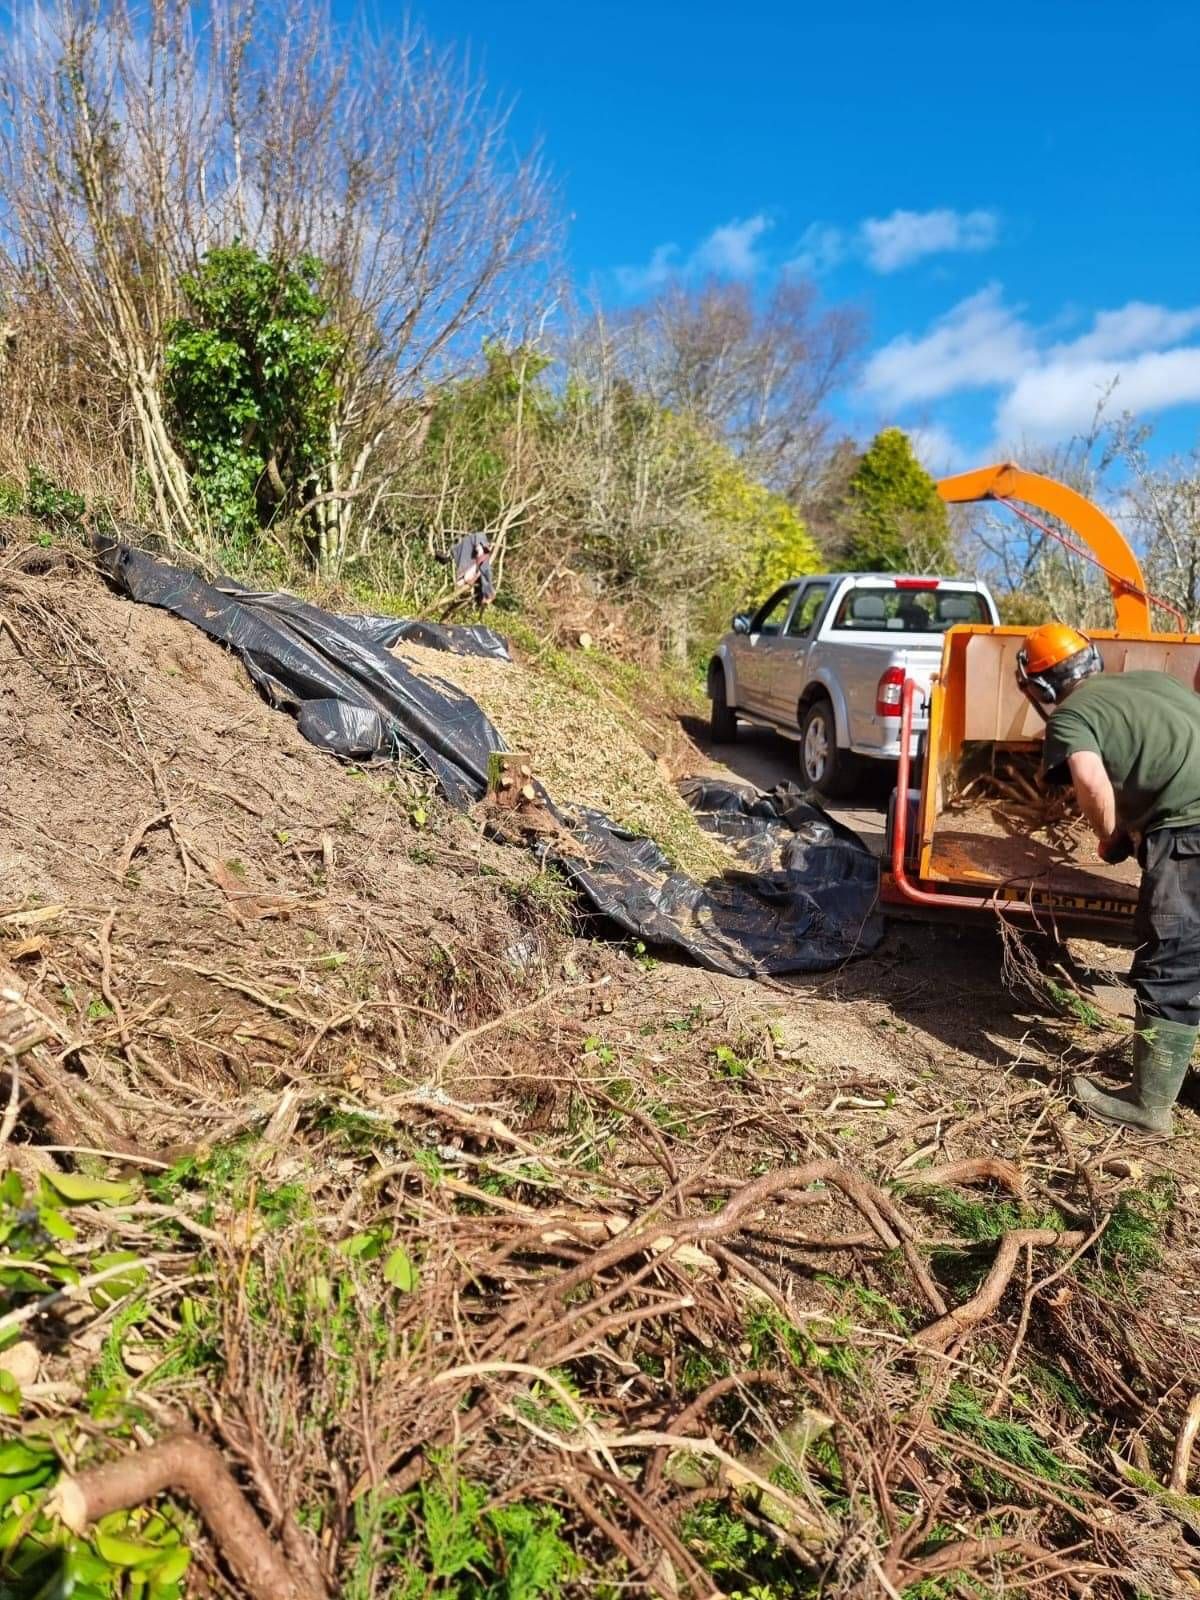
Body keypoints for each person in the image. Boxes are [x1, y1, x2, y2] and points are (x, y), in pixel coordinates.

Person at [1016, 622, 1200, 1135]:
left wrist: (1112, 835)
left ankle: (1148, 1107)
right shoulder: (1158, 683)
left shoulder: (1072, 714)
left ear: (1041, 687)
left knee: (1173, 961)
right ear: (1093, 658)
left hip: (1189, 835)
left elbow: (1090, 778)